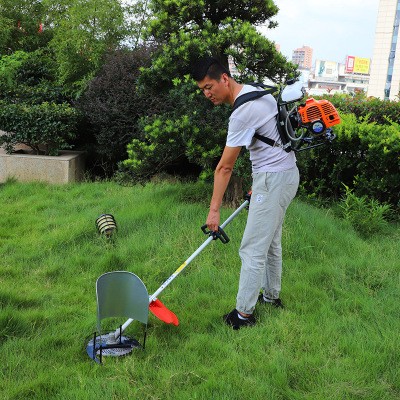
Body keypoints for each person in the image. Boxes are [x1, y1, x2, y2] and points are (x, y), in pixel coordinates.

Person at [191, 56, 299, 330]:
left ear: (224, 79)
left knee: (251, 248)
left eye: (208, 87)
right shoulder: (256, 90)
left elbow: (224, 168)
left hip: (273, 179)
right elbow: (270, 140)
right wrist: (259, 184)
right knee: (270, 241)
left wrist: (214, 211)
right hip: (286, 175)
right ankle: (271, 297)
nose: (207, 94)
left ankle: (243, 315)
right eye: (202, 90)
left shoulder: (241, 113)